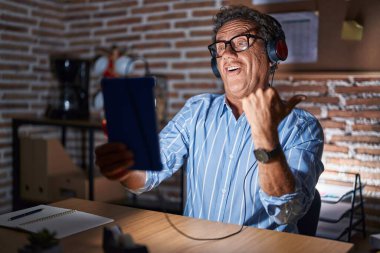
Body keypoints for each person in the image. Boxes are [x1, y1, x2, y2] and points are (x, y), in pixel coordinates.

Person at [95, 5, 324, 233]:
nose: (227, 54)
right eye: (220, 47)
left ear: (274, 53)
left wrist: (266, 137)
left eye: (241, 42)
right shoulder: (197, 110)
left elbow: (288, 212)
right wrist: (124, 169)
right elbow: (145, 177)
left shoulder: (302, 127)